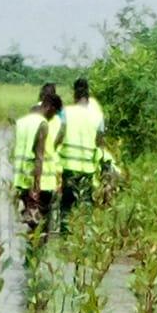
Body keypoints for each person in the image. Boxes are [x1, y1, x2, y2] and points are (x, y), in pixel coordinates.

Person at [13, 93, 62, 237]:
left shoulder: (22, 122)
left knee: (30, 221)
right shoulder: (42, 124)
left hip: (21, 179)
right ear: (50, 107)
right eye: (54, 113)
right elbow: (39, 156)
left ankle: (29, 254)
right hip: (39, 182)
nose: (53, 117)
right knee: (41, 227)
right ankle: (39, 254)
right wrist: (37, 185)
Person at [58, 79, 103, 229]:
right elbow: (100, 143)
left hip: (70, 168)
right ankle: (85, 237)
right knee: (86, 205)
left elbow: (60, 136)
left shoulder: (66, 112)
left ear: (74, 96)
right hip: (88, 169)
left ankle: (65, 237)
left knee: (66, 206)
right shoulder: (97, 116)